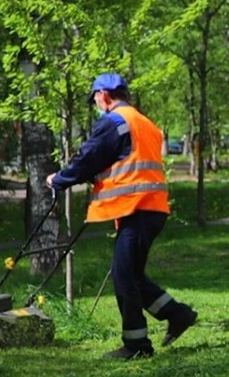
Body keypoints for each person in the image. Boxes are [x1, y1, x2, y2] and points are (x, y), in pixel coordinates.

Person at [47, 73, 197, 360]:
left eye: (94, 98)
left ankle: (137, 345)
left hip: (137, 207)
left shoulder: (114, 122)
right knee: (132, 274)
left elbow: (89, 157)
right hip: (150, 207)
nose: (95, 103)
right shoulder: (144, 122)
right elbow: (120, 162)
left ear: (103, 95)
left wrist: (59, 180)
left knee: (123, 275)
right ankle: (177, 315)